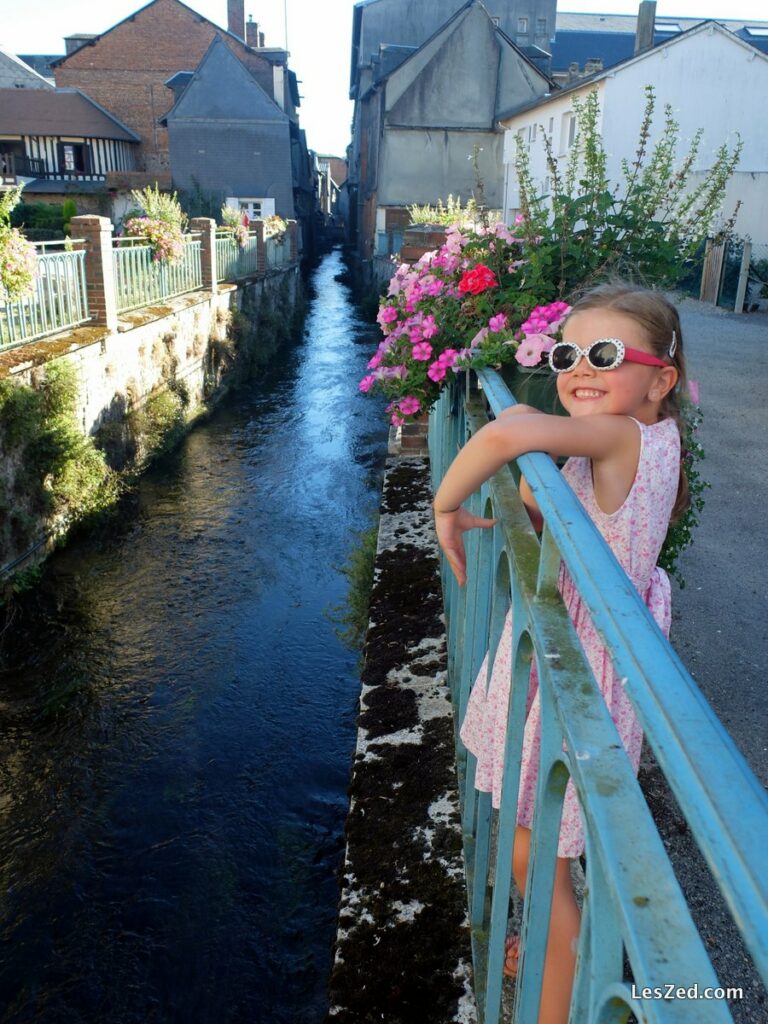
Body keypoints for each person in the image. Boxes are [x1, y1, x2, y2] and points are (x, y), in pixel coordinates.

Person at [432, 284, 687, 1024]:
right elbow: (546, 491)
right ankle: (557, 935)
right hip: (592, 653)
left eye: (605, 355)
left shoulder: (618, 438)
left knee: (533, 850)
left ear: (660, 378)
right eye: (566, 354)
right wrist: (530, 426)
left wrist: (446, 506)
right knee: (543, 838)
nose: (579, 369)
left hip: (577, 664)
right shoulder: (645, 435)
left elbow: (506, 440)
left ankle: (556, 968)